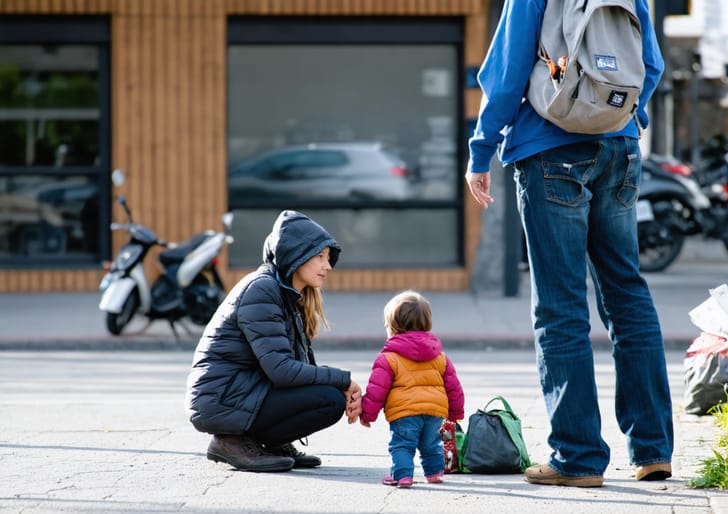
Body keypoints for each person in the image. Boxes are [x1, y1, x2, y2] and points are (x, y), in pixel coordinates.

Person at [465, 0, 674, 487]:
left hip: (550, 148)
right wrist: (627, 117)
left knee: (560, 305)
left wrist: (481, 149)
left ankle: (577, 457)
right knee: (628, 295)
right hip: (620, 146)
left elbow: (508, 68)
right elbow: (653, 64)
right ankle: (652, 450)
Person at [185, 210, 363, 473]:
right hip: (221, 398)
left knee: (329, 396)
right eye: (319, 257)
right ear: (296, 256)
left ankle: (270, 442)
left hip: (241, 392)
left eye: (328, 258)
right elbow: (281, 370)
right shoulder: (263, 290)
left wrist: (338, 382)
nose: (328, 266)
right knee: (329, 398)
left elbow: (289, 367)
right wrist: (343, 380)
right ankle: (231, 441)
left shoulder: (285, 293)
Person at [359, 290, 465, 488]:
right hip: (435, 411)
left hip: (404, 412)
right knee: (431, 444)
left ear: (392, 327)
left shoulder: (388, 357)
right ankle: (435, 473)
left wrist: (367, 413)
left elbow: (377, 390)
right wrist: (456, 412)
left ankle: (402, 476)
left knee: (402, 445)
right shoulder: (439, 356)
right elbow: (453, 386)